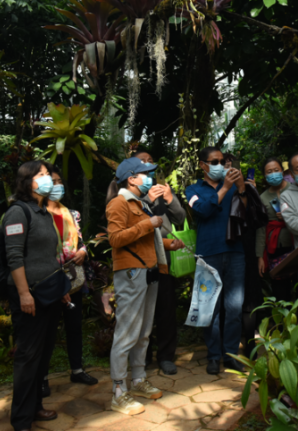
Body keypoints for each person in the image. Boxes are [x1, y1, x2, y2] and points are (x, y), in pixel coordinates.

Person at [105, 157, 185, 415]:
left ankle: (138, 380)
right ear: (131, 178)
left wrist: (169, 244)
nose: (150, 178)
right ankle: (119, 391)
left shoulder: (141, 203)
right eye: (145, 174)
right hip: (131, 272)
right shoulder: (119, 203)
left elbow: (147, 239)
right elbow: (115, 238)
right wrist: (147, 224)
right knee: (127, 332)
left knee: (143, 331)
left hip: (149, 271)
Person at [4, 160, 70, 431]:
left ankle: (35, 407)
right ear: (26, 181)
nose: (48, 179)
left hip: (49, 293)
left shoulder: (42, 212)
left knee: (42, 355)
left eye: (48, 175)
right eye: (41, 175)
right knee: (28, 356)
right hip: (29, 295)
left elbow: (49, 256)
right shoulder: (18, 212)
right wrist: (23, 293)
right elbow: (14, 256)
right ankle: (21, 419)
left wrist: (61, 290)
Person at [185, 146, 248, 375]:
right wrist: (226, 188)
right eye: (214, 162)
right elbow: (203, 210)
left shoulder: (232, 186)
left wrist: (241, 188)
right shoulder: (192, 189)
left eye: (222, 161)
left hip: (235, 251)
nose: (220, 165)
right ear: (203, 165)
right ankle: (213, 356)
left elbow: (247, 213)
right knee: (209, 308)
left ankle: (230, 355)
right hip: (208, 253)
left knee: (234, 308)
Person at [41, 165, 98, 397]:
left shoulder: (72, 214)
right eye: (52, 182)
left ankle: (77, 370)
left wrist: (83, 251)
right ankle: (42, 378)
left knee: (74, 326)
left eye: (59, 181)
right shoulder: (38, 215)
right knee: (47, 331)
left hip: (73, 279)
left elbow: (80, 240)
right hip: (48, 280)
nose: (57, 186)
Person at [134, 150, 186, 376]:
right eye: (142, 162)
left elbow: (180, 218)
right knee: (142, 312)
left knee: (166, 310)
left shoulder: (162, 190)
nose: (147, 165)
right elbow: (131, 227)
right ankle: (142, 356)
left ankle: (166, 356)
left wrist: (170, 198)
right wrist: (147, 199)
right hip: (139, 263)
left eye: (150, 161)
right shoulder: (129, 195)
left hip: (163, 262)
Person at [256, 157, 294, 303]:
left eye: (276, 170)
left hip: (297, 244)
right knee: (280, 291)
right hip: (275, 248)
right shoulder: (262, 197)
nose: (273, 174)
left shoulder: (294, 189)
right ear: (265, 176)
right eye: (269, 172)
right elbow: (261, 228)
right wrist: (260, 256)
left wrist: (288, 217)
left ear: (282, 171)